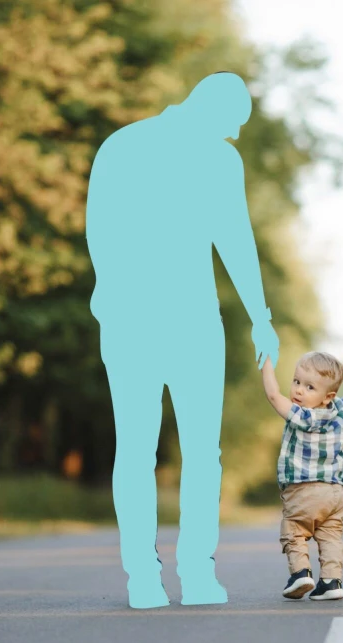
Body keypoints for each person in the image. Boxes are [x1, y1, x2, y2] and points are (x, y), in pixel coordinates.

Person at [85, 72, 280, 609]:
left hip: (142, 321)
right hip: (180, 321)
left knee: (139, 451)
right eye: (233, 126)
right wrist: (260, 319)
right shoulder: (213, 159)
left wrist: (111, 301)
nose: (235, 137)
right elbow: (235, 241)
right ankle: (190, 576)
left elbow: (97, 232)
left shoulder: (121, 144)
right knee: (198, 454)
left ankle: (148, 580)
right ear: (212, 111)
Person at [260, 351, 343, 601]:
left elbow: (274, 396)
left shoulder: (302, 415)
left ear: (327, 395)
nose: (298, 391)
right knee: (330, 535)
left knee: (293, 528)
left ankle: (300, 573)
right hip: (334, 492)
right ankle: (331, 581)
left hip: (302, 489)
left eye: (309, 387)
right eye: (296, 382)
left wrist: (265, 363)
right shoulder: (339, 409)